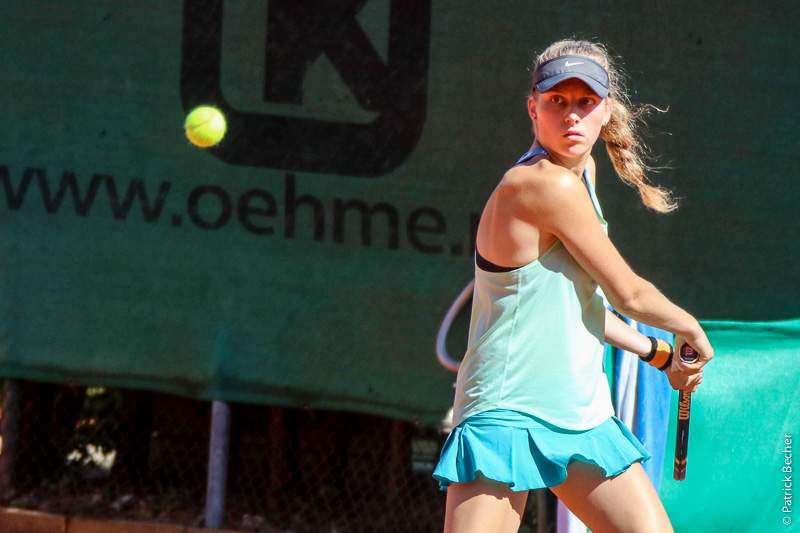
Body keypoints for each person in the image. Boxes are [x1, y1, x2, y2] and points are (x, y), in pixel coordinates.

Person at [432, 39, 715, 533]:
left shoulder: (583, 175)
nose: (571, 115)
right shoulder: (542, 184)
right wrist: (689, 327)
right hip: (507, 412)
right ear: (532, 108)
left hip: (580, 413)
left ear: (606, 110)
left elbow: (581, 306)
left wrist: (659, 354)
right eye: (556, 101)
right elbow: (629, 295)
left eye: (585, 101)